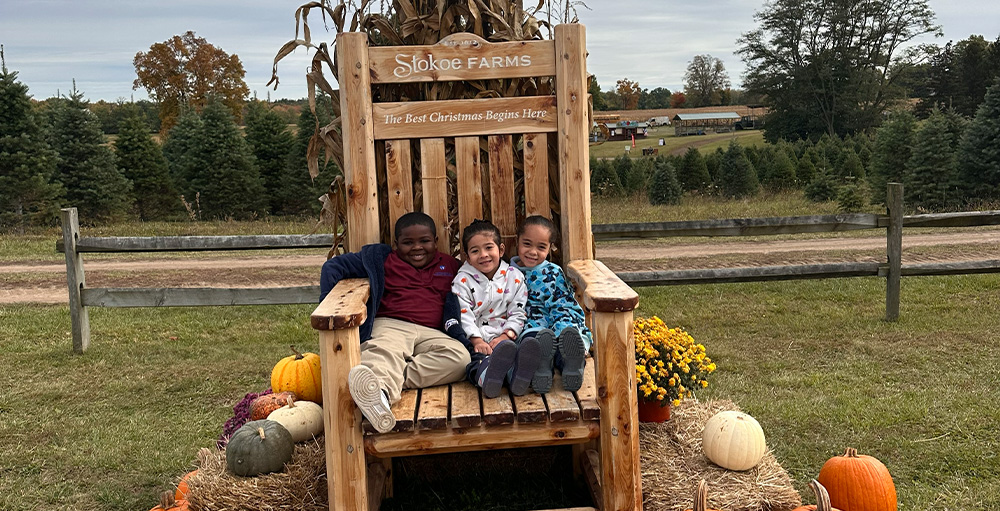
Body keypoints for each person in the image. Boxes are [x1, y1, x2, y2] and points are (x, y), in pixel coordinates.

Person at [319, 212, 472, 433]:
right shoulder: (383, 261)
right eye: (408, 243)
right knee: (382, 351)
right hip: (392, 324)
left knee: (460, 359)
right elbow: (333, 267)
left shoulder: (450, 266)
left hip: (433, 331)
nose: (417, 248)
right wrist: (330, 306)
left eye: (424, 241)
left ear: (436, 241)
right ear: (395, 244)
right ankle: (379, 398)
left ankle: (383, 381)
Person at [451, 220, 541, 398]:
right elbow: (464, 314)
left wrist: (506, 335)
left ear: (500, 250)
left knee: (519, 351)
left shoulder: (514, 277)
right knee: (475, 361)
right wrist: (476, 340)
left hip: (508, 339)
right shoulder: (462, 281)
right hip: (478, 341)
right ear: (467, 257)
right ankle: (487, 377)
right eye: (475, 251)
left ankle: (516, 376)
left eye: (488, 248)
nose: (483, 255)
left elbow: (518, 311)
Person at [510, 215, 592, 393]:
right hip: (529, 326)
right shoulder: (507, 273)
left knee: (565, 339)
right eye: (527, 244)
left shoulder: (553, 272)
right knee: (532, 342)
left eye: (541, 247)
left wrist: (560, 330)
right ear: (517, 241)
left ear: (549, 248)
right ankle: (542, 369)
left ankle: (571, 365)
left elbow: (564, 305)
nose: (533, 252)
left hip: (558, 323)